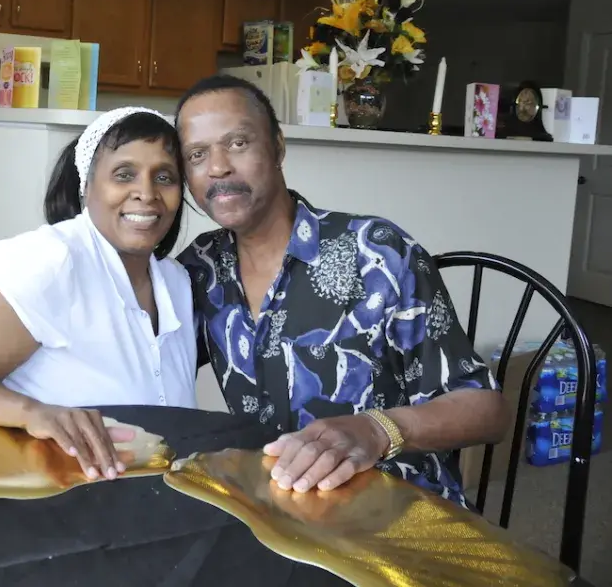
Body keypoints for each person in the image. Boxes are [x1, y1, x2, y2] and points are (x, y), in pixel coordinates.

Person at [175, 75, 507, 506]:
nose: (217, 167)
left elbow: (487, 409)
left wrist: (377, 428)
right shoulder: (203, 267)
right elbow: (139, 357)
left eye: (237, 143)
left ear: (277, 147)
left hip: (398, 514)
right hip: (276, 508)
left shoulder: (376, 252)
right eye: (197, 155)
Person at [0, 107, 198, 481]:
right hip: (48, 511)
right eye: (123, 174)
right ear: (87, 186)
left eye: (164, 177)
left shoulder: (175, 282)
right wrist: (31, 412)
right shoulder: (52, 261)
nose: (146, 193)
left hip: (148, 507)